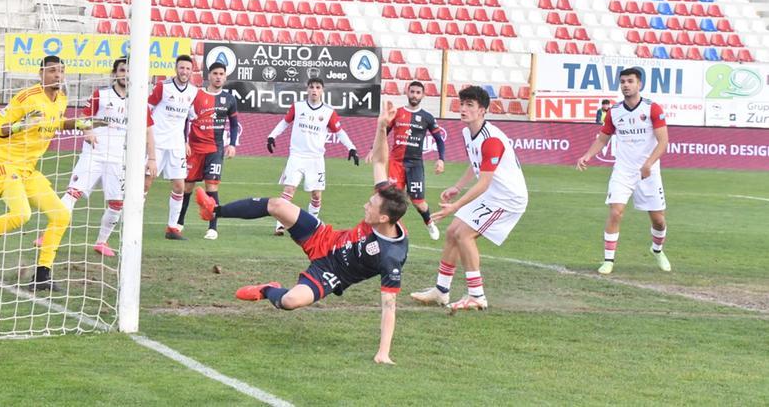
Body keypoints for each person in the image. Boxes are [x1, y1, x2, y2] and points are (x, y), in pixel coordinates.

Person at [196, 100, 409, 365]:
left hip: (331, 273)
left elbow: (389, 305)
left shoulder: (391, 256)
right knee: (277, 205)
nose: (366, 205)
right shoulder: (386, 203)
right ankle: (214, 211)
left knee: (289, 301)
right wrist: (381, 126)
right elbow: (379, 161)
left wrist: (383, 352)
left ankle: (267, 289)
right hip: (325, 237)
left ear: (384, 218)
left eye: (371, 206)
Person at [0, 56, 106, 291]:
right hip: (3, 164)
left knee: (61, 215)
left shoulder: (61, 99)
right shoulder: (26, 97)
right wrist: (20, 125)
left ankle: (42, 274)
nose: (58, 75)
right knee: (22, 214)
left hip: (28, 170)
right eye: (52, 70)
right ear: (41, 74)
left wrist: (81, 124)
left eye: (61, 71)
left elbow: (57, 123)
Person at [410, 86, 528, 312]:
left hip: (508, 198)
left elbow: (483, 182)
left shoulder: (491, 139)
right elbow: (475, 164)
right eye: (462, 104)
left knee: (464, 234)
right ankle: (441, 291)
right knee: (452, 231)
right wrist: (457, 186)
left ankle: (477, 296)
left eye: (469, 105)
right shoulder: (468, 132)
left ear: (482, 110)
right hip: (494, 193)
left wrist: (454, 206)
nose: (463, 109)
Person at [576, 68, 670, 275]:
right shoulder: (614, 112)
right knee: (615, 211)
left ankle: (657, 250)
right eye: (623, 82)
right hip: (623, 170)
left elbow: (663, 141)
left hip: (648, 172)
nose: (626, 85)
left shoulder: (652, 108)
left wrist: (648, 164)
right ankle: (608, 260)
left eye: (630, 81)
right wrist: (587, 155)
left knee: (658, 220)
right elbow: (603, 138)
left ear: (639, 84)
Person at [59, 58, 156, 257]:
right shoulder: (101, 95)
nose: (126, 74)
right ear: (114, 73)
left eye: (129, 71)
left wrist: (152, 159)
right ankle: (48, 235)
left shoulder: (138, 101)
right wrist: (88, 132)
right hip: (94, 153)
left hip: (119, 158)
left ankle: (101, 242)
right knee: (72, 193)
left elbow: (148, 131)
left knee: (117, 203)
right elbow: (84, 118)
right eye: (122, 70)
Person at [266, 78, 359, 235]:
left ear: (322, 90)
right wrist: (271, 136)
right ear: (307, 89)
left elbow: (339, 132)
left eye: (317, 87)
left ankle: (312, 226)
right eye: (311, 87)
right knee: (289, 190)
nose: (314, 90)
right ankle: (280, 225)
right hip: (296, 156)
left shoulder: (328, 112)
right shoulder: (298, 107)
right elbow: (284, 122)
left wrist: (351, 148)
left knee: (316, 195)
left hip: (315, 159)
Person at [185, 61, 239, 240]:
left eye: (221, 74)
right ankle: (178, 222)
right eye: (215, 73)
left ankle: (213, 228)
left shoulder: (229, 99)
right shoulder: (196, 94)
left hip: (215, 149)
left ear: (225, 77)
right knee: (187, 186)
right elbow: (185, 119)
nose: (218, 77)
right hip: (194, 148)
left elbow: (234, 124)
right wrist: (184, 141)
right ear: (209, 75)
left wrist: (232, 144)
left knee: (212, 186)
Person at [386, 81, 445, 239]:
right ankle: (394, 231)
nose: (414, 95)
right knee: (393, 200)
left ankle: (429, 223)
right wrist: (373, 148)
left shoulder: (427, 117)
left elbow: (439, 140)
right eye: (412, 91)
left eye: (418, 92)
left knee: (418, 202)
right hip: (396, 163)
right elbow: (384, 131)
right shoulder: (397, 113)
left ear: (423, 95)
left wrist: (441, 159)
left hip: (415, 165)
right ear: (407, 92)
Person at [149, 55, 199, 240]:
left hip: (176, 145)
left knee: (179, 186)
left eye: (187, 68)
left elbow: (189, 118)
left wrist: (185, 140)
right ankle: (132, 223)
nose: (184, 71)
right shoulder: (163, 87)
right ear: (176, 69)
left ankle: (172, 228)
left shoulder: (193, 91)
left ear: (191, 71)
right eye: (181, 68)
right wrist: (147, 137)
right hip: (157, 143)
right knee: (145, 183)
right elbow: (147, 109)